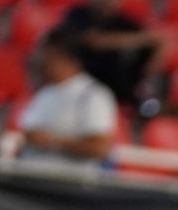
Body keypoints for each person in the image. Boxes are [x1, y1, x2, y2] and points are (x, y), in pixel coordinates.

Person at [16, 27, 118, 165]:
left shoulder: (92, 95)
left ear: (57, 53)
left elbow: (99, 148)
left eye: (41, 51)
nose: (36, 57)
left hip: (67, 184)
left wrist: (52, 141)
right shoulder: (44, 93)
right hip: (27, 178)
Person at [57, 0, 163, 113]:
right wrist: (140, 40)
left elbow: (156, 45)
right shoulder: (77, 15)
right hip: (84, 90)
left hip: (120, 94)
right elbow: (95, 41)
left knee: (150, 101)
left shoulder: (125, 23)